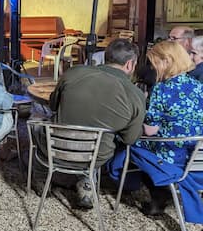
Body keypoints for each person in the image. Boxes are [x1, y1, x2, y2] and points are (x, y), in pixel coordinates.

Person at [46, 38, 146, 208]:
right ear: (130, 65)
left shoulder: (73, 73)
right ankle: (86, 178)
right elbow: (130, 139)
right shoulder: (135, 94)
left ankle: (42, 176)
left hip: (55, 146)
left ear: (105, 57)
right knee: (108, 140)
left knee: (38, 125)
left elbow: (53, 105)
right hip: (96, 155)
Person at [128, 41, 203, 216]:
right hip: (197, 154)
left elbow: (150, 131)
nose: (153, 69)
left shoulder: (162, 89)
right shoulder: (199, 87)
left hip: (171, 154)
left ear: (167, 61)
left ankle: (158, 195)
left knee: (131, 144)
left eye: (155, 63)